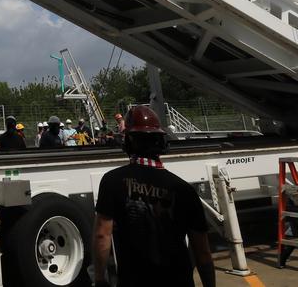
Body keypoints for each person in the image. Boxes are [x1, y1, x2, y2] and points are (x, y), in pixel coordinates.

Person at [92, 106, 214, 287]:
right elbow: (202, 251)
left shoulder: (112, 181)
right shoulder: (184, 190)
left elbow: (102, 235)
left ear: (129, 141)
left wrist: (100, 278)